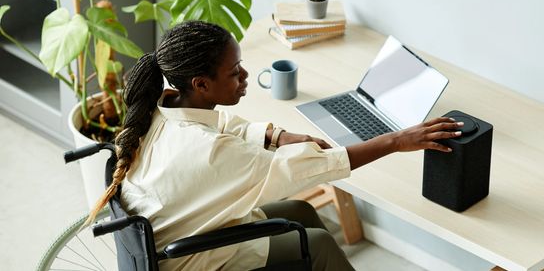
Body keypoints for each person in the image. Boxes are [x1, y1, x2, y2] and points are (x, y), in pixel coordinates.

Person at [86, 21, 463, 270]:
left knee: (299, 209)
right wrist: (398, 140)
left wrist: (278, 135)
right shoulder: (217, 155)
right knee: (316, 244)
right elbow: (316, 167)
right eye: (234, 73)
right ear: (200, 84)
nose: (245, 77)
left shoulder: (162, 105)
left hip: (173, 229)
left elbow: (223, 124)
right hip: (193, 256)